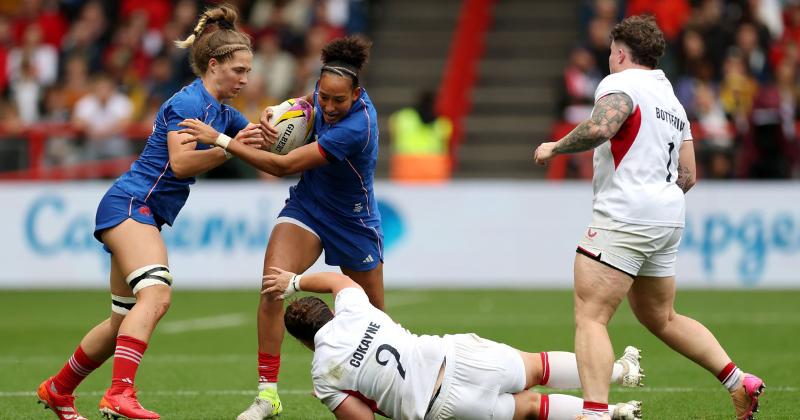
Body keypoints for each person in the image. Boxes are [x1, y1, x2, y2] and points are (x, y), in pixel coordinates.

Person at [35, 5, 262, 420]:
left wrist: (298, 122)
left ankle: (58, 389)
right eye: (239, 70)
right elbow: (180, 164)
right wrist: (229, 145)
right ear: (214, 65)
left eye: (248, 71)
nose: (245, 79)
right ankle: (120, 393)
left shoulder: (223, 113)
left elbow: (259, 142)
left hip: (138, 209)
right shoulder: (189, 102)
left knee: (121, 318)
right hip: (130, 205)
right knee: (156, 293)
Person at [533, 15, 765, 420]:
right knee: (661, 316)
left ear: (621, 53)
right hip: (668, 216)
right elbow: (689, 173)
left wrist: (556, 146)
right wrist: (657, 204)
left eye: (610, 52)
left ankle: (594, 414)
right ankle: (737, 380)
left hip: (626, 214)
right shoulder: (672, 100)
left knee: (591, 316)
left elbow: (603, 125)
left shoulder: (620, 84)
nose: (609, 58)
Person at [179, 36, 384, 420]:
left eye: (338, 100)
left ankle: (379, 387)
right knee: (273, 286)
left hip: (353, 219)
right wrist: (280, 109)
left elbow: (283, 165)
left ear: (357, 94)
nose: (328, 106)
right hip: (308, 206)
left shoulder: (358, 126)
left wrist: (220, 140)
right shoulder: (322, 94)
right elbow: (304, 105)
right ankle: (267, 394)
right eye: (324, 97)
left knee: (374, 315)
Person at [261, 268, 643, 420]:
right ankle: (622, 372)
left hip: (441, 407)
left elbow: (362, 419)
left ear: (303, 342)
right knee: (537, 367)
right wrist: (294, 282)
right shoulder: (353, 309)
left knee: (530, 408)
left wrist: (332, 396)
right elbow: (337, 280)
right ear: (327, 313)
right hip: (456, 357)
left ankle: (614, 413)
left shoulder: (323, 375)